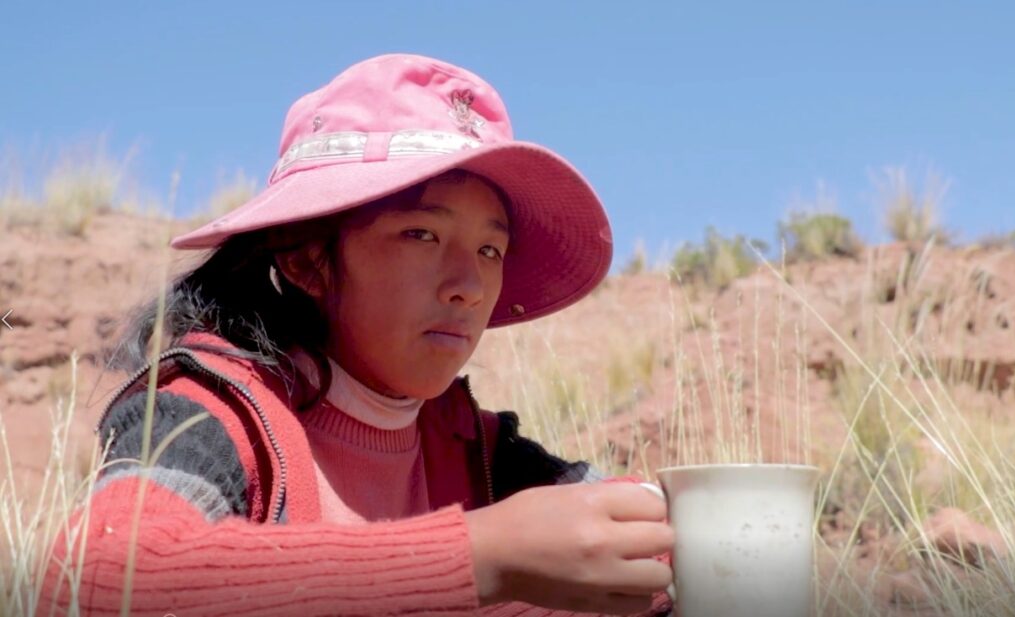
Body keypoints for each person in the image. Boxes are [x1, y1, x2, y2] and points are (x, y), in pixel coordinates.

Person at [37, 53, 674, 616]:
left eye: (490, 249)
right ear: (307, 260)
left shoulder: (472, 447)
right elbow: (90, 585)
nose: (470, 285)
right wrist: (484, 557)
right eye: (422, 235)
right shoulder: (213, 412)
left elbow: (636, 548)